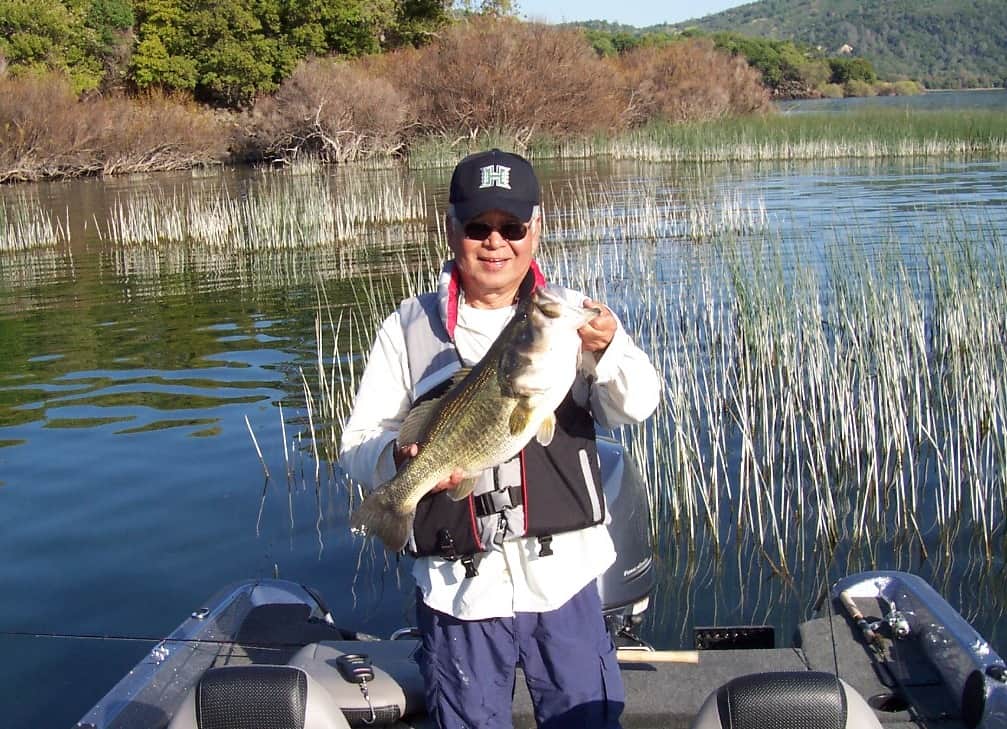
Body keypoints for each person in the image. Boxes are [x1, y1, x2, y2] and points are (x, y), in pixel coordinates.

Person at [339, 149, 660, 729]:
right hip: (458, 592)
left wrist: (607, 350)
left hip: (563, 581)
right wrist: (397, 458)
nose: (496, 242)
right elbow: (357, 442)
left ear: (535, 229)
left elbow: (637, 404)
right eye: (478, 227)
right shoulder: (406, 326)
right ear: (452, 229)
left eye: (511, 227)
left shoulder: (568, 316)